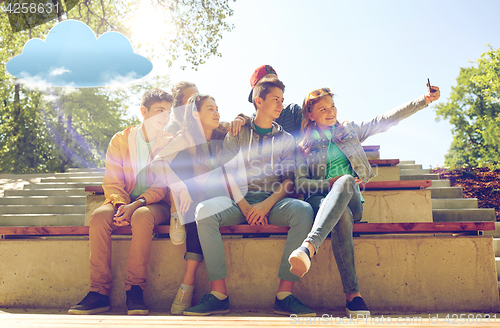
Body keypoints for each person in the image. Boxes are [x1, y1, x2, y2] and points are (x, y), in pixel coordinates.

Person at [289, 84, 441, 317]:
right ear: (310, 115)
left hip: (353, 199)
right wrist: (328, 184)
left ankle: (308, 247)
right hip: (321, 203)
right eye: (323, 109)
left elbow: (385, 119)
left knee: (347, 181)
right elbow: (300, 183)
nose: (331, 112)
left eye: (332, 107)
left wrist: (423, 100)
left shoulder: (348, 131)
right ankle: (353, 297)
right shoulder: (304, 147)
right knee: (342, 217)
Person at [182, 77, 315, 317]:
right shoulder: (237, 131)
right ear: (258, 100)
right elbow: (228, 173)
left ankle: (284, 295)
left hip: (273, 202)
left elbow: (288, 181)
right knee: (203, 211)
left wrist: (265, 205)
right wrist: (244, 206)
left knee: (304, 210)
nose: (281, 105)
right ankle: (218, 295)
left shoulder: (286, 139)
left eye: (282, 101)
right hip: (237, 201)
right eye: (276, 99)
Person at [68, 88, 175, 316]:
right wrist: (119, 206)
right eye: (160, 111)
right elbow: (113, 181)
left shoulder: (170, 142)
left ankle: (135, 289)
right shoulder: (120, 140)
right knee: (98, 217)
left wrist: (136, 205)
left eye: (168, 112)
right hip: (122, 201)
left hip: (155, 204)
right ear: (144, 111)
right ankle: (99, 292)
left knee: (142, 215)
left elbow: (162, 185)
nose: (165, 118)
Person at [152, 94, 231, 315]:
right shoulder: (187, 137)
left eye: (217, 108)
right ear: (196, 114)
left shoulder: (221, 134)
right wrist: (179, 187)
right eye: (210, 109)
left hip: (222, 198)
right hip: (197, 199)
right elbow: (157, 163)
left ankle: (188, 280)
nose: (216, 113)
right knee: (176, 162)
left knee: (198, 201)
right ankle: (177, 210)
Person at [230, 65, 303, 139]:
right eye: (267, 83)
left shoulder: (293, 111)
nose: (273, 86)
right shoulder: (248, 125)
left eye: (275, 81)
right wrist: (240, 120)